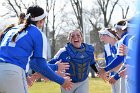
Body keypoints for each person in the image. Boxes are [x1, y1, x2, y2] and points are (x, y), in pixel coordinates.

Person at [0, 5, 73, 93]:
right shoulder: (37, 33)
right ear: (41, 21)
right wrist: (62, 81)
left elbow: (30, 62)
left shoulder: (12, 30)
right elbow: (39, 65)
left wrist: (26, 75)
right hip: (13, 73)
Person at [49, 29, 98, 93]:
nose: (75, 37)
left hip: (83, 82)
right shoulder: (63, 52)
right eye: (72, 36)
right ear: (69, 39)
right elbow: (49, 64)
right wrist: (54, 73)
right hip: (67, 82)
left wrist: (99, 72)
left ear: (81, 38)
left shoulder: (88, 51)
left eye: (78, 35)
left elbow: (92, 63)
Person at [99, 19, 133, 93]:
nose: (115, 31)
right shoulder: (130, 37)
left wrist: (105, 70)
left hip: (128, 74)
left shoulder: (124, 39)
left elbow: (119, 60)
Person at [98, 28, 122, 93]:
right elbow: (108, 62)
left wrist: (105, 71)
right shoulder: (107, 46)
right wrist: (106, 73)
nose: (101, 37)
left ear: (110, 35)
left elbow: (121, 63)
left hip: (121, 74)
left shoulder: (119, 44)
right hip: (114, 74)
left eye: (103, 35)